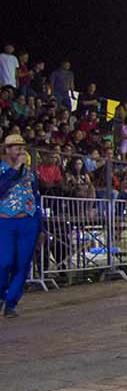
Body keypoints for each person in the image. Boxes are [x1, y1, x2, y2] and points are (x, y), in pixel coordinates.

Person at [0, 134, 41, 318]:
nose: (20, 150)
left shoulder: (30, 172)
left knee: (22, 263)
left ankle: (11, 302)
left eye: (21, 147)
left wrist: (40, 227)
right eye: (16, 147)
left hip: (28, 220)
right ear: (7, 149)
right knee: (4, 261)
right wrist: (15, 169)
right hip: (5, 221)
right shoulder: (2, 169)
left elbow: (35, 197)